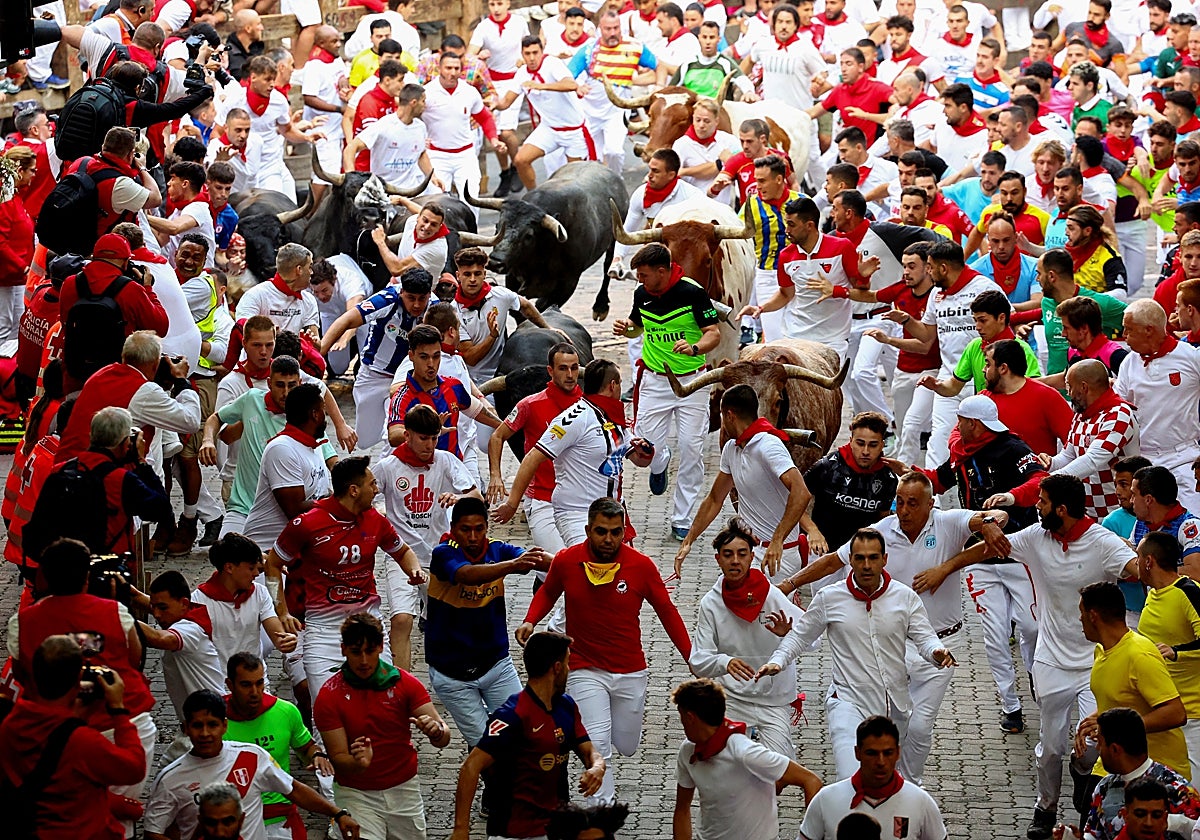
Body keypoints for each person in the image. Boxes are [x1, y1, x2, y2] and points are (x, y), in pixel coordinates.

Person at [919, 474, 1138, 840]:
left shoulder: (1103, 543)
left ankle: (1083, 776)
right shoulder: (1037, 537)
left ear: (1062, 510)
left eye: (1042, 501)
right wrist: (945, 568)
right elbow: (991, 549)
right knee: (1051, 748)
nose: (1036, 506)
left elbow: (1135, 570)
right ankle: (1045, 806)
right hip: (1050, 661)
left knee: (1092, 746)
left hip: (1096, 664)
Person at [784, 472, 1012, 773]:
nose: (903, 511)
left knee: (919, 727)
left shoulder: (949, 522)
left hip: (943, 645)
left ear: (931, 504)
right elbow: (834, 561)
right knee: (891, 722)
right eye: (899, 502)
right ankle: (886, 778)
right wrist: (789, 583)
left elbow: (998, 515)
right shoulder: (882, 531)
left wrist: (982, 532)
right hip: (897, 645)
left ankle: (911, 785)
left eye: (912, 504)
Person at [517, 497, 693, 804]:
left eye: (616, 532)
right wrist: (531, 620)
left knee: (626, 745)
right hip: (584, 668)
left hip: (630, 671)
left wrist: (691, 656)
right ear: (588, 530)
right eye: (601, 531)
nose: (609, 539)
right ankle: (600, 819)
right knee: (598, 744)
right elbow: (548, 590)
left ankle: (607, 733)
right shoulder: (566, 560)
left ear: (624, 531)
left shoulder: (641, 566)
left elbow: (666, 610)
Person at [756, 528, 955, 779]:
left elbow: (925, 638)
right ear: (850, 560)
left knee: (883, 780)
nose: (866, 565)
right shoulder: (829, 597)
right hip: (847, 702)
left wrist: (937, 652)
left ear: (885, 559)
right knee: (850, 778)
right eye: (859, 558)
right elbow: (800, 636)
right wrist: (777, 661)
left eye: (873, 558)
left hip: (895, 706)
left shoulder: (905, 597)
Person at [8, 538, 158, 832]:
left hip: (53, 735)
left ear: (45, 577)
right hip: (122, 723)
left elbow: (22, 673)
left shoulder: (23, 622)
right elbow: (133, 658)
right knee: (119, 820)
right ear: (87, 577)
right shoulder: (114, 611)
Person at [266, 455, 425, 686]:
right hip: (323, 630)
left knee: (382, 701)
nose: (377, 490)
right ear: (353, 490)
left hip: (369, 624)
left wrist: (414, 570)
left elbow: (402, 552)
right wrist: (281, 612)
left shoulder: (376, 520)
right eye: (372, 484)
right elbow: (272, 563)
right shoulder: (306, 524)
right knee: (323, 709)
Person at [450, 631, 606, 840]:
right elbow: (471, 767)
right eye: (567, 663)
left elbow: (588, 751)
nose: (569, 669)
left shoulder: (566, 706)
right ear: (556, 668)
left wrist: (597, 767)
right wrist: (461, 829)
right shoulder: (512, 715)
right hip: (513, 832)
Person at [611, 242, 720, 540]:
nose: (640, 281)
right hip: (655, 382)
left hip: (692, 383)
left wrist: (695, 347)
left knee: (692, 449)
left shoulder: (693, 293)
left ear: (663, 271)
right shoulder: (642, 293)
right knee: (644, 448)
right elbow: (638, 325)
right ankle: (661, 461)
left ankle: (682, 518)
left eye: (644, 275)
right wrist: (627, 327)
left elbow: (714, 333)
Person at [144, 689, 357, 840]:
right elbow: (153, 831)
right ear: (186, 728)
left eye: (212, 725)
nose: (205, 733)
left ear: (224, 725)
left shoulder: (251, 757)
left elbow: (295, 790)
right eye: (197, 725)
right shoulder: (170, 778)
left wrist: (338, 813)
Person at [427, 497, 553, 751]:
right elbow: (467, 575)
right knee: (488, 750)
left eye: (479, 529)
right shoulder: (443, 554)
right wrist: (511, 566)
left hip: (497, 667)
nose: (473, 537)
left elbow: (535, 559)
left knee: (524, 735)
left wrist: (578, 561)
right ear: (453, 529)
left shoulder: (498, 549)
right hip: (452, 676)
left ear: (486, 527)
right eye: (465, 530)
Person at [312, 612, 448, 840]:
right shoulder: (329, 696)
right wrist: (358, 764)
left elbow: (444, 735)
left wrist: (436, 731)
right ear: (343, 649)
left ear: (381, 647)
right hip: (356, 792)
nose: (364, 661)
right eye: (356, 652)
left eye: (370, 651)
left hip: (403, 789)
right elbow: (338, 757)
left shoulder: (405, 684)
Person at [493, 359, 653, 548]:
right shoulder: (575, 418)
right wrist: (512, 504)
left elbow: (635, 458)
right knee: (585, 570)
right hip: (578, 514)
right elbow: (532, 457)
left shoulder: (612, 418)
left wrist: (645, 451)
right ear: (613, 385)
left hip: (613, 513)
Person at [0, 635, 147, 840]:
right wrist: (119, 711)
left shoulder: (10, 724)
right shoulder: (82, 742)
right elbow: (134, 768)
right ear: (78, 678)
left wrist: (76, 716)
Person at [882, 239, 1004, 478]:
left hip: (982, 380)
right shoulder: (936, 294)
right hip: (948, 378)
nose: (928, 271)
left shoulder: (984, 287)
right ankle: (932, 499)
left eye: (930, 266)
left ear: (944, 268)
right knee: (938, 439)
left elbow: (1005, 324)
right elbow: (927, 335)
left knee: (987, 441)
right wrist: (906, 320)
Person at [687, 517, 806, 757]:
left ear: (752, 557)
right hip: (733, 699)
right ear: (718, 559)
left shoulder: (771, 595)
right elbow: (698, 660)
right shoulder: (710, 604)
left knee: (779, 770)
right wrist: (725, 663)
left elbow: (810, 637)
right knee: (724, 763)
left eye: (742, 554)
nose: (735, 561)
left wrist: (788, 633)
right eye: (728, 554)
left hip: (774, 699)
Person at [675, 386, 811, 583]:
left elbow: (802, 493)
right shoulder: (732, 448)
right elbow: (714, 499)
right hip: (749, 552)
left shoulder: (769, 446)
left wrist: (777, 540)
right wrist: (688, 541)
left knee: (771, 613)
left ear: (729, 415)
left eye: (722, 417)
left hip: (779, 556)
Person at [672, 677, 822, 840]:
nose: (682, 723)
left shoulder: (746, 752)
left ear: (690, 717)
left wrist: (810, 834)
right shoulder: (688, 750)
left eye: (681, 717)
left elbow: (811, 780)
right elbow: (682, 809)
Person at [1078, 581, 1190, 779]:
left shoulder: (1140, 655)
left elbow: (1176, 713)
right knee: (1085, 800)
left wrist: (1117, 728)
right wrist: (1097, 718)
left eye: (1082, 613)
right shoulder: (1101, 651)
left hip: (1155, 771)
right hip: (1115, 763)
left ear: (1093, 616)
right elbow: (1122, 699)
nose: (1080, 619)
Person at [30, 405, 173, 559]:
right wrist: (141, 462)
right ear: (125, 443)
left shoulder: (61, 470)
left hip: (63, 567)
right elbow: (161, 509)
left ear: (92, 435)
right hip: (108, 569)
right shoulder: (121, 480)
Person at [222, 652, 333, 840]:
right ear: (230, 685)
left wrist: (316, 756)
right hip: (232, 818)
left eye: (259, 683)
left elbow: (306, 747)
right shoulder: (214, 721)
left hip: (279, 816)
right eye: (246, 685)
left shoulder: (285, 711)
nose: (255, 692)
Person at [1014, 359, 1140, 520]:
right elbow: (1068, 456)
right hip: (1087, 513)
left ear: (1084, 387)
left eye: (1069, 386)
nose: (1067, 392)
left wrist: (1050, 480)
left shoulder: (1119, 414)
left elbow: (1092, 460)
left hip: (1118, 513)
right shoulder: (1081, 415)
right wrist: (1050, 463)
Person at [321, 266, 431, 449]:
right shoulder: (386, 299)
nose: (417, 305)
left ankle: (391, 471)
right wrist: (318, 355)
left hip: (407, 378)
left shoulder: (434, 308)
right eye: (411, 298)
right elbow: (346, 320)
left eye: (422, 299)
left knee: (395, 433)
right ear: (401, 291)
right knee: (365, 441)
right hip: (373, 374)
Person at [798, 716, 948, 840]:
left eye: (888, 753)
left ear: (898, 753)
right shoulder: (826, 799)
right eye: (872, 753)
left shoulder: (921, 802)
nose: (881, 762)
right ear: (857, 753)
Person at [1115, 299, 1200, 513]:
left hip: (1183, 457)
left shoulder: (1190, 357)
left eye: (1129, 329)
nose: (1124, 334)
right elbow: (1118, 410)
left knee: (1194, 522)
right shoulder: (1129, 363)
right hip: (1143, 463)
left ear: (1149, 330)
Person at [1076, 708, 1200, 840]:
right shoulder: (1104, 787)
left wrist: (1178, 823)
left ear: (1114, 749)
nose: (1097, 749)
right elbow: (1094, 834)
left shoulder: (1178, 791)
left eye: (1100, 744)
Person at [240, 382, 335, 553]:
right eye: (323, 410)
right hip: (266, 551)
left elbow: (321, 494)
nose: (325, 416)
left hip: (298, 547)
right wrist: (340, 504)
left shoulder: (315, 444)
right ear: (314, 414)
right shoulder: (282, 449)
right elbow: (294, 509)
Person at [1137, 532, 1200, 778]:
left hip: (1192, 716)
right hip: (1158, 713)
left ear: (1149, 561)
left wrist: (1177, 653)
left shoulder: (1188, 592)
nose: (1136, 562)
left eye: (1138, 557)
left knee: (1192, 797)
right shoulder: (1153, 593)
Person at [385, 324, 500, 454]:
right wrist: (429, 430)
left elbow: (476, 411)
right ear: (411, 356)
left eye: (436, 356)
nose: (431, 364)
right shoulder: (402, 397)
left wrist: (506, 427)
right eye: (424, 357)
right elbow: (393, 436)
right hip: (417, 470)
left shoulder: (453, 386)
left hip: (453, 468)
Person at [801, 412, 898, 560]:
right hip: (824, 552)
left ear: (882, 445)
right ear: (851, 440)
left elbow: (882, 520)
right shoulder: (827, 466)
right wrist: (812, 530)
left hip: (862, 556)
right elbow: (793, 502)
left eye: (873, 445)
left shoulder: (888, 478)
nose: (865, 451)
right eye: (860, 443)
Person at [450, 246, 552, 385]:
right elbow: (470, 358)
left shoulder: (501, 295)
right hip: (469, 380)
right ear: (458, 276)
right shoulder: (453, 312)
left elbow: (526, 306)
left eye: (477, 273)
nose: (473, 279)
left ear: (484, 274)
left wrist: (548, 329)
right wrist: (492, 336)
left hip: (502, 373)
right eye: (467, 274)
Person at [138, 570, 225, 725]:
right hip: (198, 722)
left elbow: (159, 639)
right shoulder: (184, 614)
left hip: (210, 724)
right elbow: (140, 599)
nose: (156, 614)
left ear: (184, 603)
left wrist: (112, 612)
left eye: (162, 608)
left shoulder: (190, 629)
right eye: (153, 607)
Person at [1035, 248, 1127, 377]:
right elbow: (1038, 315)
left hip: (1089, 392)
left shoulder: (1099, 303)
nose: (1037, 279)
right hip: (1058, 392)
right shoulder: (1047, 303)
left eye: (1039, 274)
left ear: (1051, 276)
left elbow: (1138, 323)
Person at [234, 244, 320, 339]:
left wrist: (310, 343)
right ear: (299, 270)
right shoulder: (255, 295)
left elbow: (316, 345)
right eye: (310, 267)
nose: (312, 272)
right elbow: (244, 332)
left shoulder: (309, 300)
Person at [1130, 467, 1200, 583]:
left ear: (1148, 500)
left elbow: (1196, 572)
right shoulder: (1140, 524)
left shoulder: (1189, 526)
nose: (1131, 500)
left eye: (1134, 495)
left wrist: (1153, 570)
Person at [0, 146, 36, 342]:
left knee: (16, 327)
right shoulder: (5, 201)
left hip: (17, 276)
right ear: (20, 171)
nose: (34, 175)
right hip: (6, 276)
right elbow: (0, 242)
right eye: (32, 170)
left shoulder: (15, 196)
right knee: (4, 327)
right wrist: (22, 266)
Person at [1064, 205, 1128, 296]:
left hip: (1095, 308)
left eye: (1071, 228)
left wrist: (1088, 300)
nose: (1066, 232)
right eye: (1066, 227)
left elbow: (1121, 294)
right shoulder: (1066, 253)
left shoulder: (1109, 258)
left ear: (1087, 231)